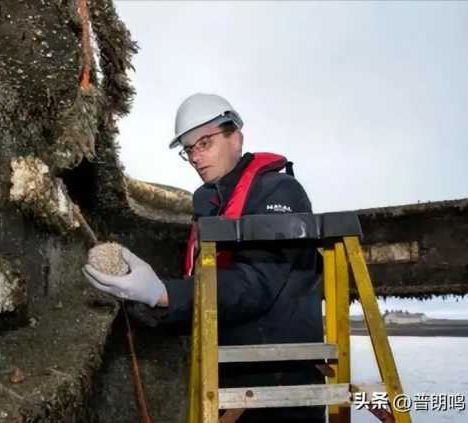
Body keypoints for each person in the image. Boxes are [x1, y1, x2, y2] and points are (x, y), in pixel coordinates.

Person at [82, 93, 325, 422]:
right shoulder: (212, 207)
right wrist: (144, 299)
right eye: (188, 149)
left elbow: (255, 285)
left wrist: (164, 293)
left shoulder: (279, 192)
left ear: (235, 137)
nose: (195, 156)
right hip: (225, 380)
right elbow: (204, 302)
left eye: (205, 143)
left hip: (279, 386)